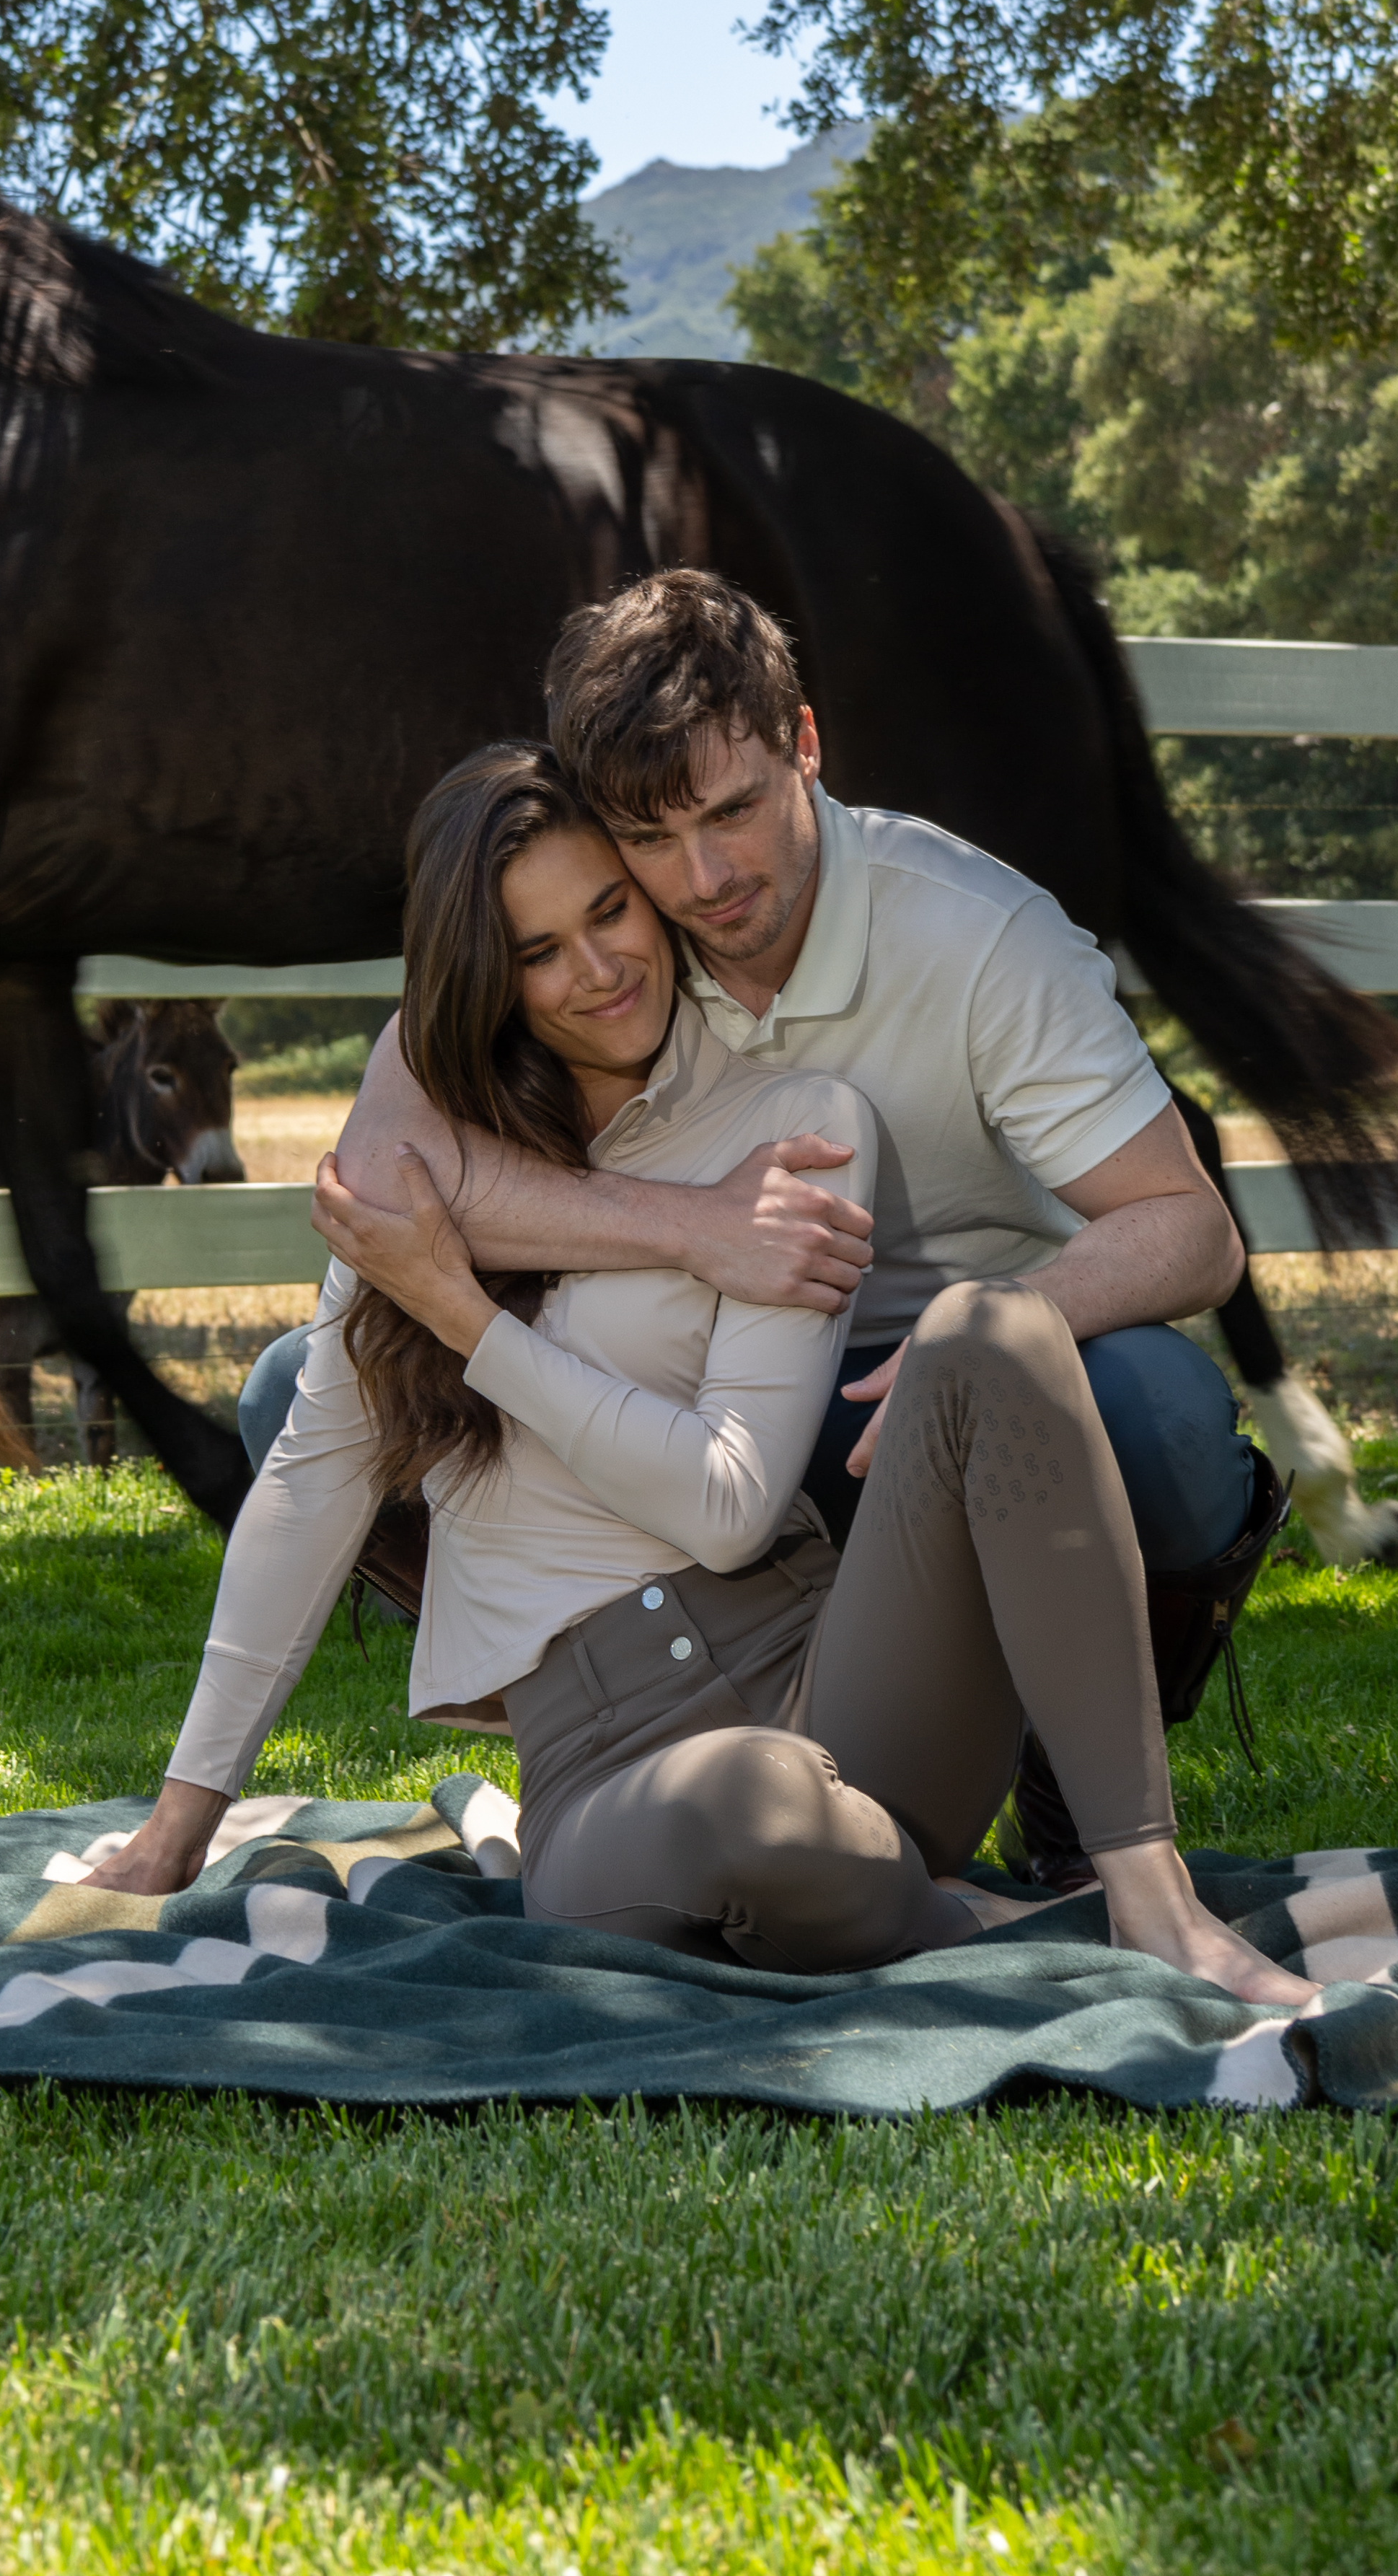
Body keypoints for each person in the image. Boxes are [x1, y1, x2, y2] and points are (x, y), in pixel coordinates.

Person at [96, 739, 1312, 2006]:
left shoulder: (799, 1130)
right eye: (536, 951)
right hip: (618, 1762)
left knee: (994, 1330)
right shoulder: (417, 1169)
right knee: (758, 1809)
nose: (597, 969)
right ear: (482, 976)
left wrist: (472, 1321)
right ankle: (969, 1921)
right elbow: (312, 1482)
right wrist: (182, 1823)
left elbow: (730, 1510)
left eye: (609, 911)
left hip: (827, 1669)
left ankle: (1148, 1902)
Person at [243, 569, 1283, 1887]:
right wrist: (692, 1227)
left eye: (736, 812)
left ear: (805, 744)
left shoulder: (980, 937)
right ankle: (601, 1742)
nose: (709, 877)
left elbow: (1192, 1231)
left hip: (941, 1394)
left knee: (1162, 1417)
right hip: (699, 1378)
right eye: (654, 840)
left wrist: (1003, 1333)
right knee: (301, 1386)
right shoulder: (606, 934)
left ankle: (1068, 1787)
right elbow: (381, 1173)